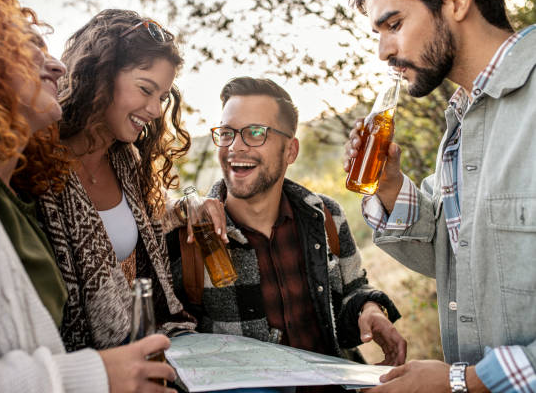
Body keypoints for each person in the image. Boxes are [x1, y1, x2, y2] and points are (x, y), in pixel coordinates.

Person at [0, 0, 177, 392]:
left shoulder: (14, 183)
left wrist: (196, 206)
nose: (59, 65)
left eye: (162, 96)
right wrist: (95, 375)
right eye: (29, 47)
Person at [342, 0, 536, 392]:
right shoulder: (462, 121)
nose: (382, 51)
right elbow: (460, 260)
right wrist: (391, 183)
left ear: (458, 1)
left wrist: (465, 382)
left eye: (393, 24)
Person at [167, 77, 407, 392]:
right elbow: (172, 340)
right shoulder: (188, 235)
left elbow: (352, 290)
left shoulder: (327, 216)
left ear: (290, 150)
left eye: (255, 133)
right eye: (226, 133)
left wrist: (369, 309)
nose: (235, 146)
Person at [36, 9, 226, 352]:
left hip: (140, 347)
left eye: (162, 97)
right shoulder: (39, 162)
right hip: (73, 366)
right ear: (101, 76)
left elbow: (155, 209)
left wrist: (190, 203)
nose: (154, 109)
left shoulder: (127, 161)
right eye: (145, 89)